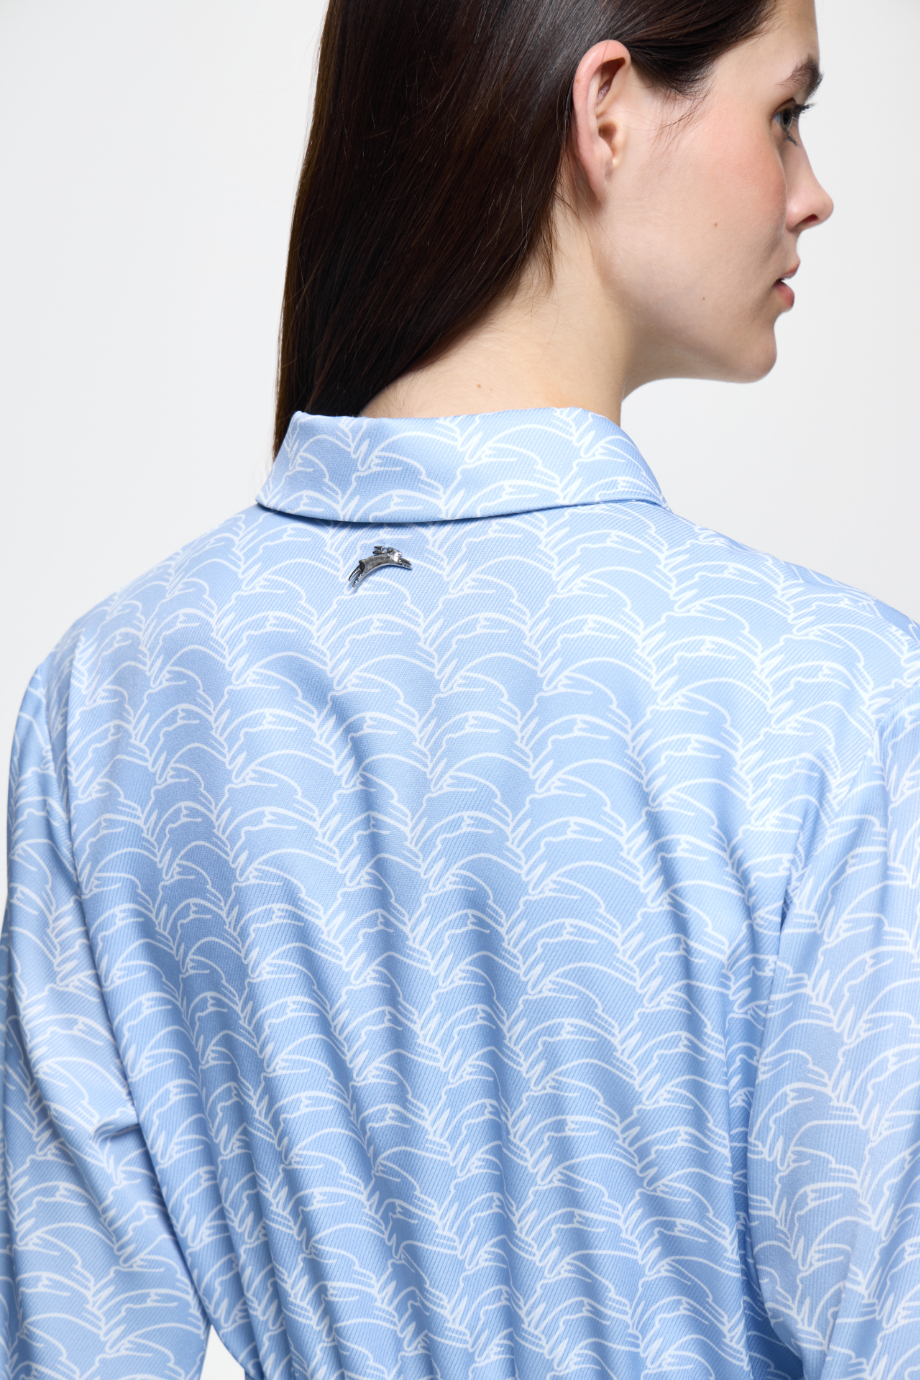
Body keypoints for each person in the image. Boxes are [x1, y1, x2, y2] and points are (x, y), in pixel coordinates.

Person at [3, 0, 918, 1375]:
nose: (814, 190)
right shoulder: (842, 697)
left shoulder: (109, 697)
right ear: (605, 109)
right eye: (785, 113)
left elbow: (75, 1340)